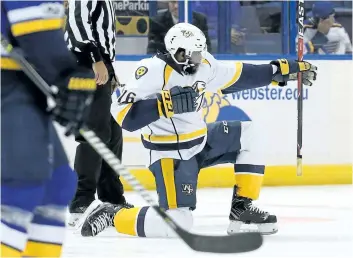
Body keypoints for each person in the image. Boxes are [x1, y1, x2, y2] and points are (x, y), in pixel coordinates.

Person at [79, 23, 317, 238]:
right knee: (179, 223)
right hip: (170, 156)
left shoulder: (204, 64)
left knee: (249, 133)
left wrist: (278, 71)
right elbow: (123, 115)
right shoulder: (150, 71)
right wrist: (161, 105)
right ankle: (113, 215)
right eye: (189, 54)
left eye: (199, 52)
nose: (196, 58)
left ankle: (241, 208)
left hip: (202, 142)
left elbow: (238, 75)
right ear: (175, 51)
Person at [1, 1, 96, 256]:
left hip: (16, 84)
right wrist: (66, 75)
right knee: (21, 183)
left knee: (57, 183)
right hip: (6, 84)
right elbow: (38, 36)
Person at [64, 0, 133, 227]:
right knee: (94, 133)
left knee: (112, 132)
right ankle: (81, 201)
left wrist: (109, 70)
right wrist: (96, 61)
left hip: (97, 66)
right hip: (85, 66)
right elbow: (77, 26)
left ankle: (111, 199)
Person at [147, 1, 212, 54]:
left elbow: (206, 46)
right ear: (168, 3)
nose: (176, 6)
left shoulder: (200, 19)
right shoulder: (157, 21)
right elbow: (152, 49)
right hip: (166, 63)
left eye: (179, 2)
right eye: (173, 2)